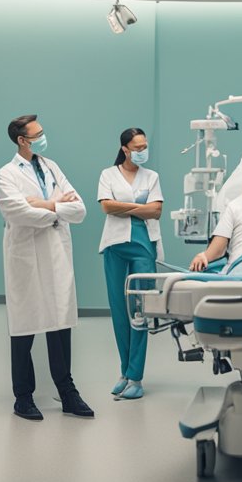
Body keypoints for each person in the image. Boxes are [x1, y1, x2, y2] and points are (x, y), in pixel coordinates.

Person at [0, 114, 93, 421]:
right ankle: (23, 397)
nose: (43, 138)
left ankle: (67, 392)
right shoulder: (6, 174)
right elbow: (18, 213)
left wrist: (42, 204)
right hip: (24, 255)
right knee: (24, 326)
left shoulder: (51, 167)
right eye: (37, 135)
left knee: (60, 322)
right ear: (22, 140)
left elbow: (80, 209)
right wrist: (55, 207)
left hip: (56, 253)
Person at [97, 128, 163, 401]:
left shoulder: (152, 176)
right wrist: (138, 207)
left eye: (144, 145)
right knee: (118, 310)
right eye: (137, 147)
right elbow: (105, 208)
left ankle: (136, 377)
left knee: (140, 311)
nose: (142, 150)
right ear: (125, 149)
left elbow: (156, 211)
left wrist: (122, 206)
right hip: (115, 245)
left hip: (143, 246)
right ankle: (124, 372)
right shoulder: (108, 174)